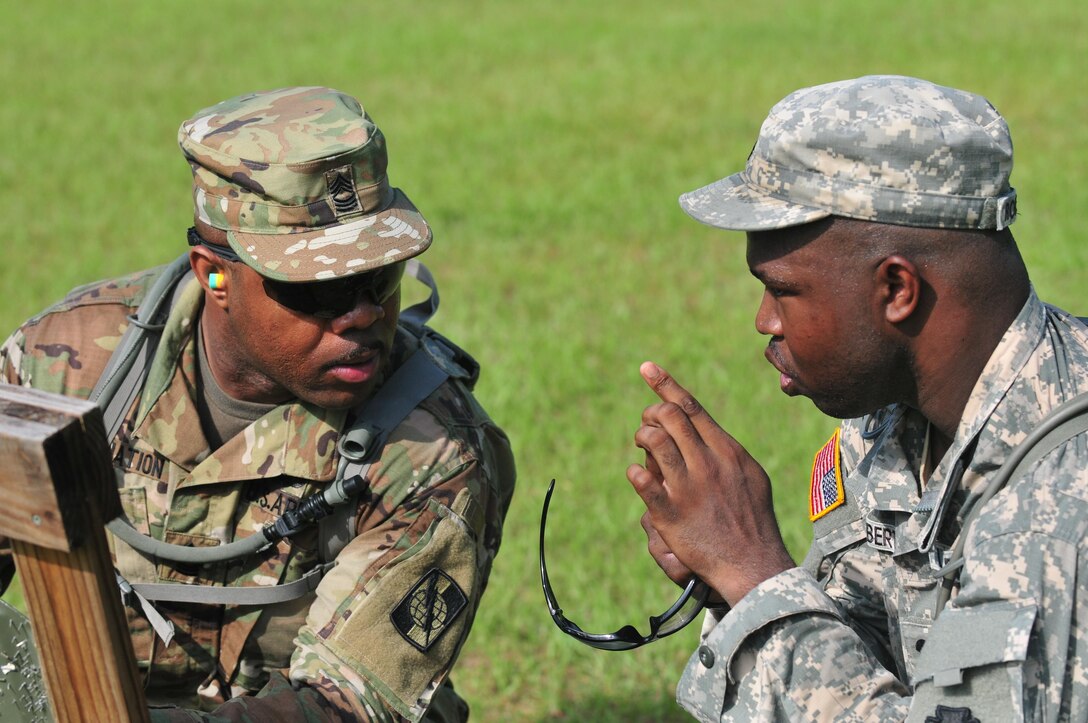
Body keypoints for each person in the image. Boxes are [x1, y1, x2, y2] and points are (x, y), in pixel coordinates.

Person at [0, 86, 516, 722]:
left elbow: (350, 705)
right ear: (214, 275)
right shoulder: (62, 366)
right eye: (318, 289)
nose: (362, 316)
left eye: (381, 276)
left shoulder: (434, 450)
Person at [625, 75, 1088, 721]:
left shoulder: (1062, 511)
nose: (765, 321)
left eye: (782, 289)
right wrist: (731, 586)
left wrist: (754, 574)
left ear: (897, 287)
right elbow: (872, 660)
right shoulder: (894, 428)